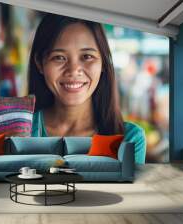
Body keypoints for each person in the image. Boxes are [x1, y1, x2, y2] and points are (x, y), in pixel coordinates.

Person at [28, 14, 146, 164]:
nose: (73, 70)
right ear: (39, 63)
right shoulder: (18, 132)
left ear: (103, 63)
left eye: (87, 56)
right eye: (59, 57)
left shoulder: (130, 138)